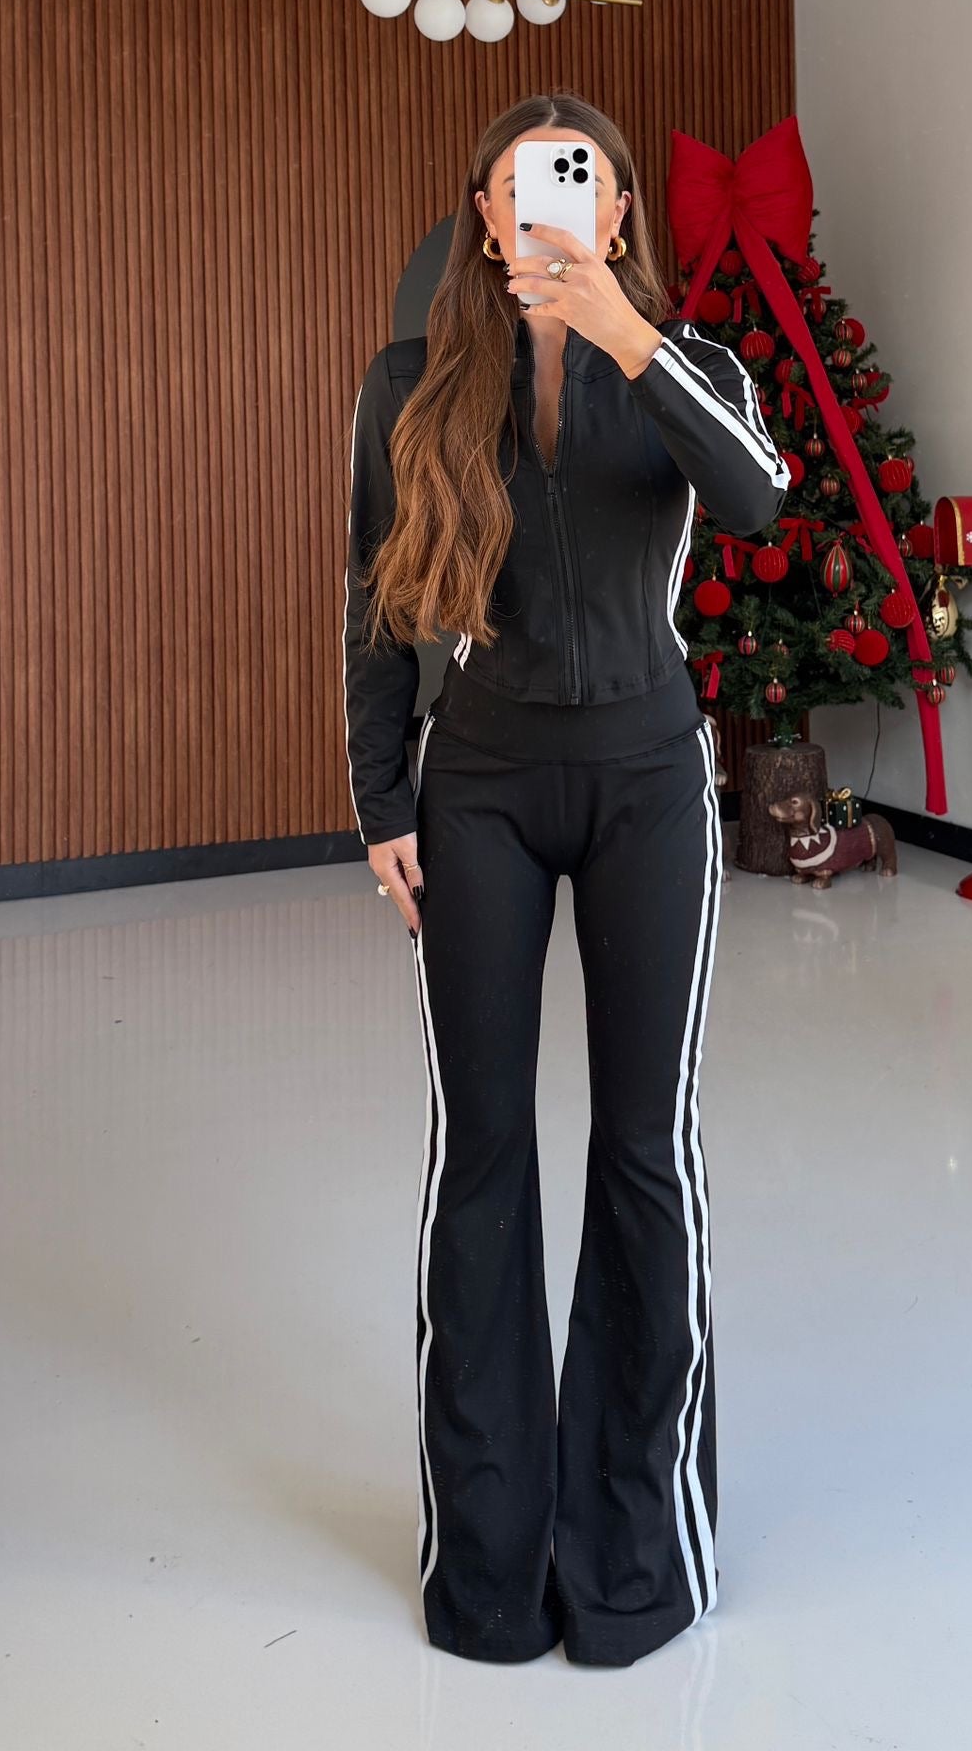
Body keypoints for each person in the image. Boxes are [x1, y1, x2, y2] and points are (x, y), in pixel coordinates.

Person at [342, 92, 791, 1669]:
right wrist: (380, 798)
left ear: (614, 214)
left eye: (578, 180)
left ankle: (635, 1552)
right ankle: (485, 1569)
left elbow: (760, 498)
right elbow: (377, 593)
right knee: (478, 1157)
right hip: (476, 790)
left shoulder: (691, 368)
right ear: (483, 214)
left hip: (649, 787)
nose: (547, 204)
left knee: (644, 1150)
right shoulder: (410, 383)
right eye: (519, 184)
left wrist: (623, 335)